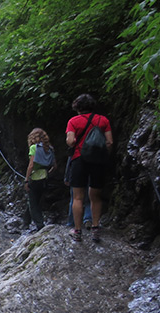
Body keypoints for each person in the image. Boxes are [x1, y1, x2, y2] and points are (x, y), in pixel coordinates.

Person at [65, 94, 113, 242]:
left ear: (77, 107)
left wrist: (71, 141)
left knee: (78, 196)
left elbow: (71, 141)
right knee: (95, 196)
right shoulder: (103, 120)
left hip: (79, 159)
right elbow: (109, 142)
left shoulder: (73, 121)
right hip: (98, 161)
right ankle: (95, 228)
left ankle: (77, 231)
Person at [24, 128, 57, 230]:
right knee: (35, 200)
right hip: (45, 178)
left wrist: (26, 180)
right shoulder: (49, 148)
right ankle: (25, 222)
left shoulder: (34, 147)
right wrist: (47, 173)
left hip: (34, 178)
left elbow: (31, 165)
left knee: (33, 204)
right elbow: (55, 166)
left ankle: (40, 225)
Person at [63, 156, 92, 228]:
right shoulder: (94, 147)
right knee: (89, 198)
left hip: (77, 171)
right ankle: (88, 219)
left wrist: (67, 177)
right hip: (91, 173)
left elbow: (70, 161)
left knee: (75, 199)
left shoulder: (77, 147)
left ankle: (72, 222)